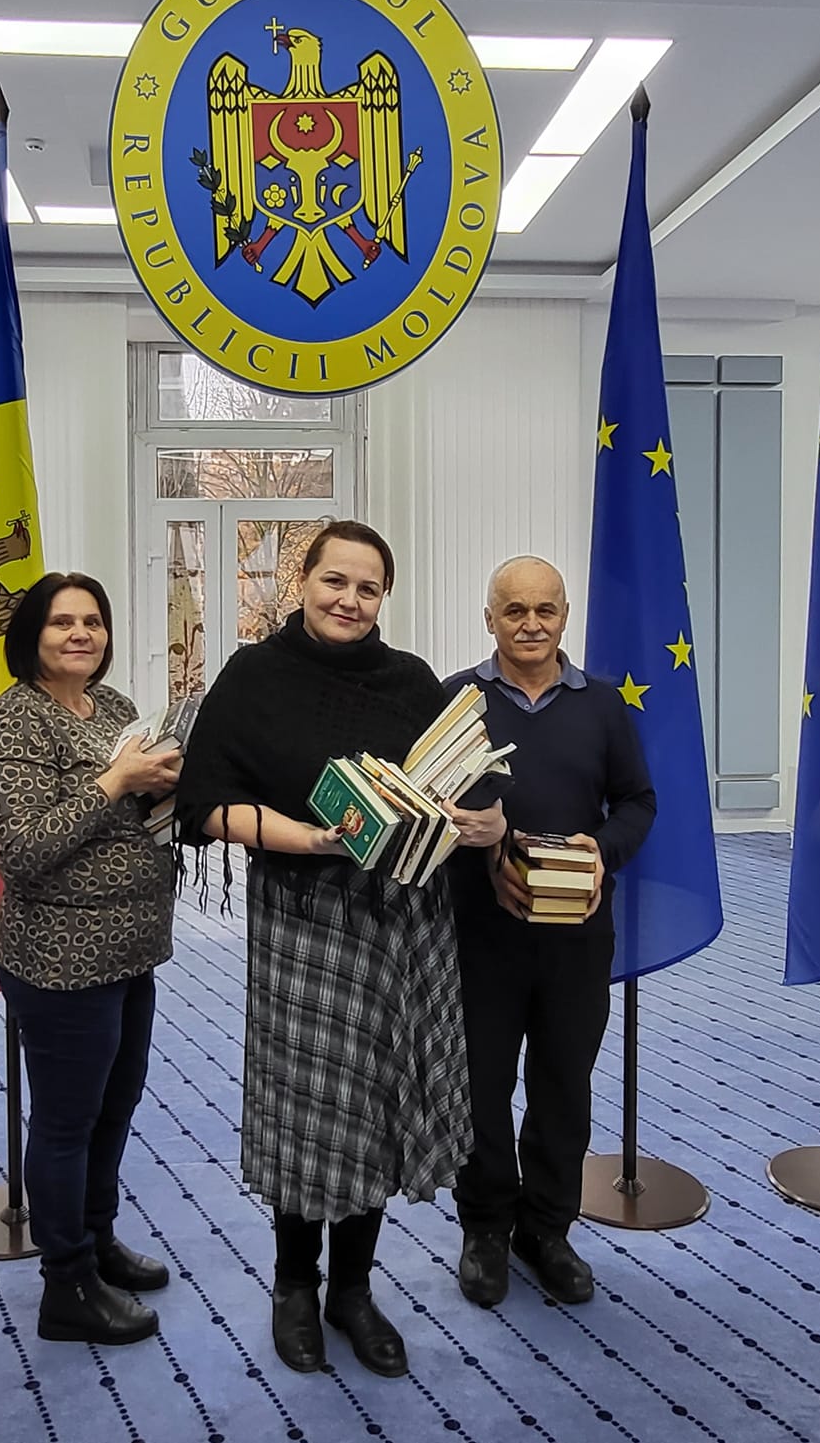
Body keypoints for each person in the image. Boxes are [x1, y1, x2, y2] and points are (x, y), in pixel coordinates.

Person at [175, 521, 504, 1379]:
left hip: (403, 918)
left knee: (376, 1101)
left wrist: (477, 819)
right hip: (304, 913)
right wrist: (313, 838)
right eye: (335, 581)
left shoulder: (411, 680)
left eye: (368, 588)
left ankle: (352, 1290)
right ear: (303, 581)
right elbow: (204, 803)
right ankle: (295, 1284)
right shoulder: (253, 675)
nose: (350, 600)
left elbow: (465, 786)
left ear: (383, 597)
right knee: (309, 1104)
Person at [0, 572, 182, 1345]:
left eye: (93, 620)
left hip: (132, 948)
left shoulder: (115, 707)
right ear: (31, 634)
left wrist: (168, 785)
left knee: (115, 1107)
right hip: (60, 960)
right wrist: (118, 778)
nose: (81, 634)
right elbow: (24, 851)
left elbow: (140, 814)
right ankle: (66, 1283)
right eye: (62, 622)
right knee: (66, 1123)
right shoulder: (12, 723)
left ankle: (97, 1239)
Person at [446, 556, 656, 1308]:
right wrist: (487, 854)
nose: (530, 624)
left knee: (564, 1084)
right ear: (489, 618)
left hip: (577, 936)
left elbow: (637, 802)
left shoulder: (602, 705)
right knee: (481, 1086)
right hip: (481, 932)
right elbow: (428, 809)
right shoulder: (458, 701)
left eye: (545, 609)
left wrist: (602, 850)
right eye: (514, 610)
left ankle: (547, 1229)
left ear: (565, 615)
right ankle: (485, 1228)